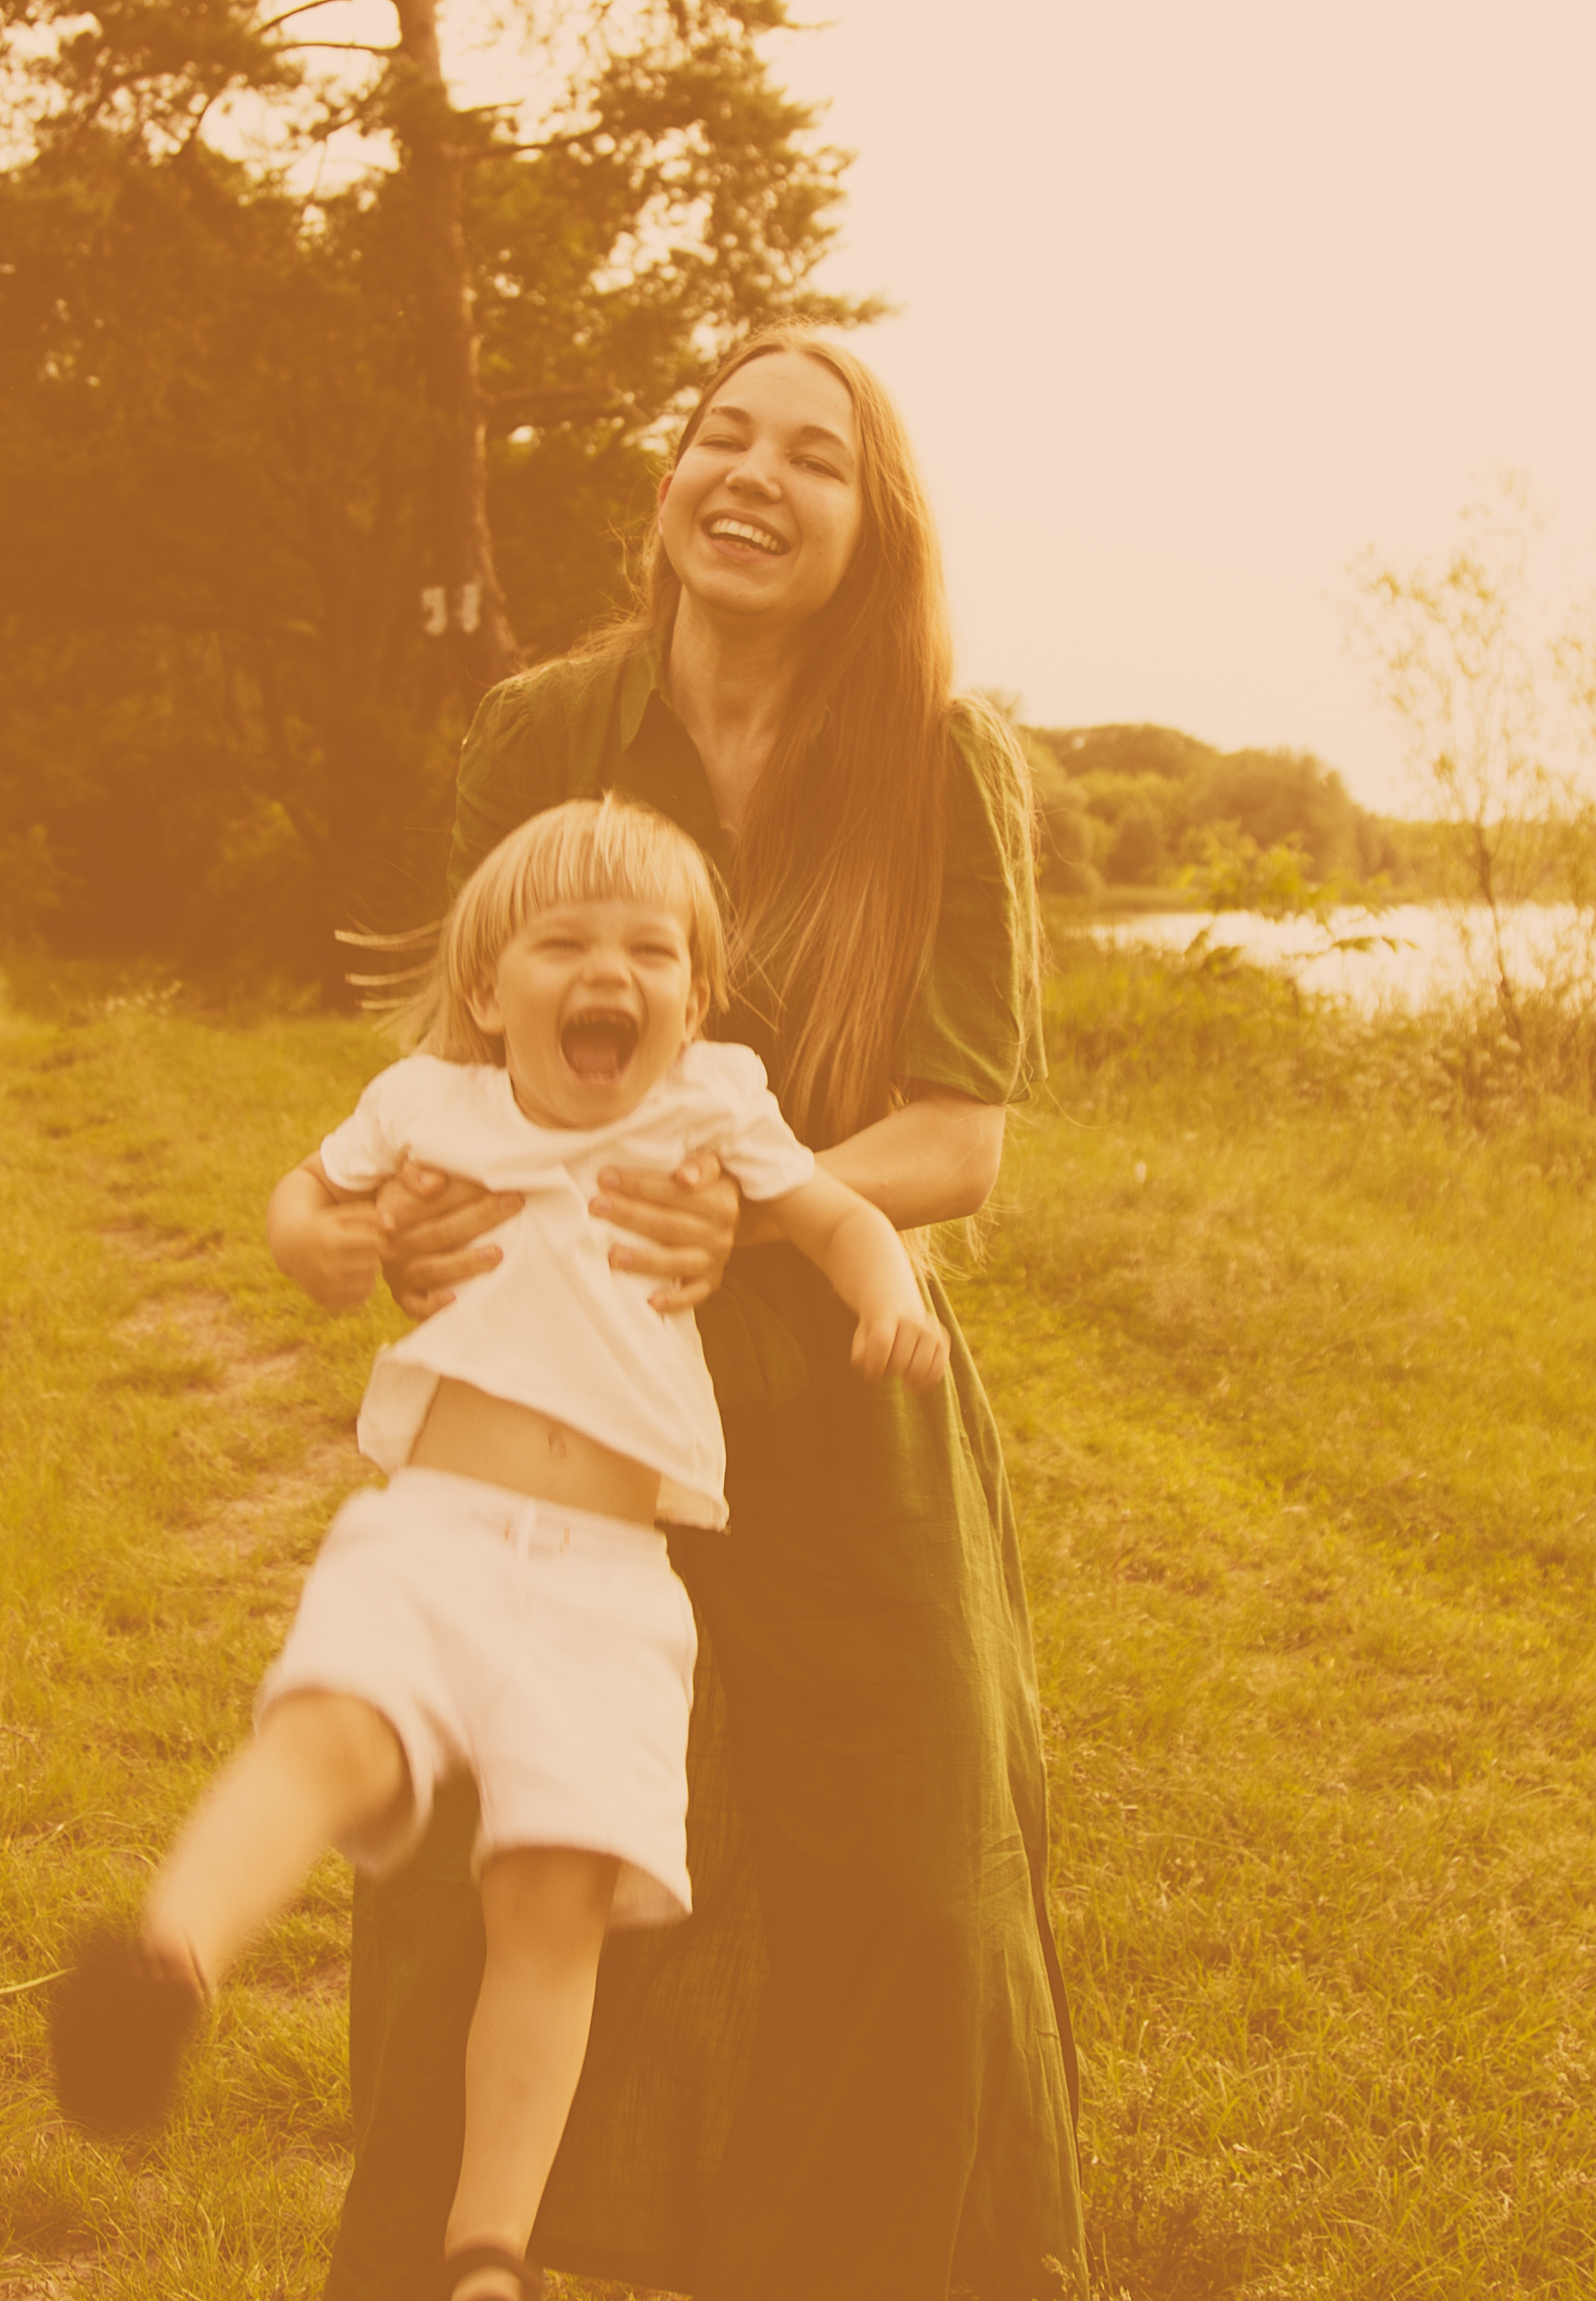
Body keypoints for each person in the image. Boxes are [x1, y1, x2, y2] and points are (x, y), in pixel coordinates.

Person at [276, 327, 1086, 2299]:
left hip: (836, 1382)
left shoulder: (940, 759)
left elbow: (958, 1143)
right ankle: (451, 2270)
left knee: (902, 1886)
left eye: (814, 458)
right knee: (480, 1883)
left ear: (870, 530)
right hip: (555, 1398)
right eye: (723, 435)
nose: (755, 474)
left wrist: (749, 1203)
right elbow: (475, 1034)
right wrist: (409, 1217)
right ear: (667, 495)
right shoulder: (545, 726)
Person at [45, 796, 947, 2301]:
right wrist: (313, 1245)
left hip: (613, 1583)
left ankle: (488, 2252)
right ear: (488, 992)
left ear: (695, 1001)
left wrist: (883, 1296)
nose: (615, 972)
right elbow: (302, 1195)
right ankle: (162, 1965)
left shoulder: (716, 1103)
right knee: (332, 1731)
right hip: (433, 1535)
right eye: (566, 945)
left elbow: (842, 1212)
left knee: (556, 1897)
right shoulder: (427, 1104)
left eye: (653, 950)